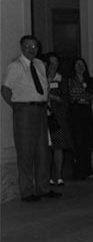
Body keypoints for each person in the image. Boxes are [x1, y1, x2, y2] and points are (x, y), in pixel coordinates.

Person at [1, 35, 62, 201]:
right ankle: (27, 191)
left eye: (34, 46)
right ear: (21, 47)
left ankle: (43, 188)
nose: (31, 49)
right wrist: (17, 108)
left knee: (43, 151)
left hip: (41, 111)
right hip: (24, 111)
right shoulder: (15, 66)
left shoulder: (40, 65)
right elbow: (5, 90)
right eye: (28, 46)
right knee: (25, 152)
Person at [67, 57, 93, 180]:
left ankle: (87, 169)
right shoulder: (70, 81)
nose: (80, 67)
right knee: (78, 139)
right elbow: (72, 95)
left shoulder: (91, 81)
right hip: (75, 111)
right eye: (77, 64)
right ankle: (78, 170)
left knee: (88, 139)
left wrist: (83, 94)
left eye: (82, 64)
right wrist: (85, 94)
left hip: (86, 110)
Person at [45, 52, 73, 185]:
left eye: (55, 63)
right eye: (51, 63)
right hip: (42, 117)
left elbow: (67, 99)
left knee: (58, 145)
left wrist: (52, 97)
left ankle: (58, 176)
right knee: (45, 147)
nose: (53, 66)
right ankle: (47, 176)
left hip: (57, 117)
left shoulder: (62, 80)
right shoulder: (40, 77)